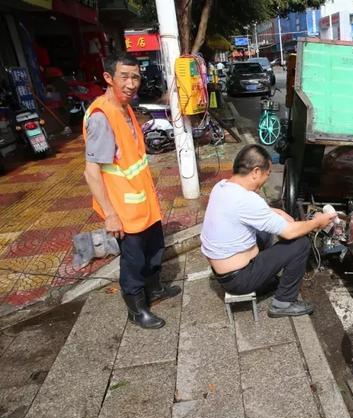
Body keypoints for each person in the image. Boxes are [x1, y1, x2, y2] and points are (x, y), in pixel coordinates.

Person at [83, 52, 180, 329]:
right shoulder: (102, 116)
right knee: (134, 260)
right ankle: (136, 309)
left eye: (135, 77)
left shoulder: (124, 108)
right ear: (108, 78)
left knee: (154, 249)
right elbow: (92, 173)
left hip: (143, 203)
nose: (131, 83)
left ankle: (155, 290)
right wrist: (110, 215)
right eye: (124, 76)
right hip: (124, 210)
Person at [201, 145, 336, 317]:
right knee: (301, 244)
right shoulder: (246, 200)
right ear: (256, 172)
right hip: (238, 280)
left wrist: (275, 211)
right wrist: (317, 222)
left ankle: (265, 280)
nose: (266, 178)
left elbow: (251, 212)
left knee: (265, 229)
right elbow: (289, 232)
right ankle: (283, 303)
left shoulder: (222, 187)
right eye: (268, 174)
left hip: (223, 273)